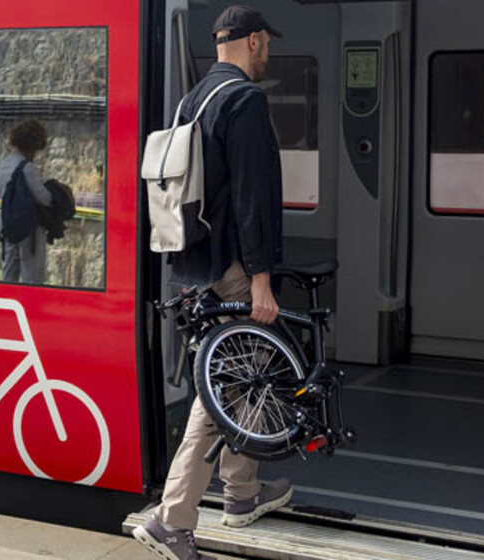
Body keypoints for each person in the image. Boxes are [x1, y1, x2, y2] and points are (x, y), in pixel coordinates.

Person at [134, 6, 290, 560]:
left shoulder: (192, 99)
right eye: (266, 42)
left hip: (192, 265)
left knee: (240, 376)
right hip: (231, 267)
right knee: (223, 388)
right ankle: (173, 517)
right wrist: (262, 282)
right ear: (253, 41)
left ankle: (242, 492)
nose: (268, 51)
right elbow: (253, 200)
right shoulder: (244, 99)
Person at [0, 118, 53, 285]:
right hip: (29, 230)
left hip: (7, 226)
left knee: (9, 273)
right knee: (32, 276)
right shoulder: (27, 168)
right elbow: (44, 198)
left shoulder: (5, 164)